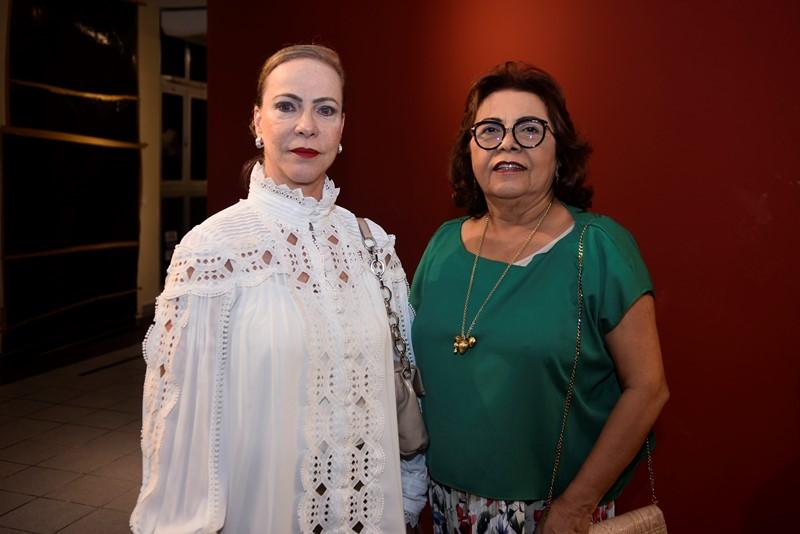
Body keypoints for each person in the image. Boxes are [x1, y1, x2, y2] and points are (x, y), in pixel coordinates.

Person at [130, 44, 427, 534]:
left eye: (325, 110)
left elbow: (400, 384)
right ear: (257, 120)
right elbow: (179, 430)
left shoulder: (372, 245)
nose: (306, 125)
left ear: (342, 127)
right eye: (287, 105)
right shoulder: (211, 249)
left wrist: (409, 497)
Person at [410, 61, 669, 534]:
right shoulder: (442, 246)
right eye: (490, 130)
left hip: (556, 516)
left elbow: (648, 388)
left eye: (529, 129)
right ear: (470, 150)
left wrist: (575, 505)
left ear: (560, 152)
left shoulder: (600, 247)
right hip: (448, 507)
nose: (507, 143)